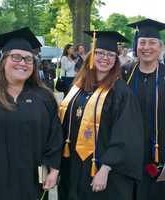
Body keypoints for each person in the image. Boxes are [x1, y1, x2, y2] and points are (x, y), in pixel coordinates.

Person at [0, 27, 63, 200]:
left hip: (29, 184)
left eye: (28, 59)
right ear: (3, 59)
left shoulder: (44, 97)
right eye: (16, 57)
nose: (22, 63)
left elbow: (54, 137)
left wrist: (53, 169)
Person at [58, 31, 144, 200]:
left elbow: (126, 135)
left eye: (111, 54)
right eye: (100, 53)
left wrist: (106, 168)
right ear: (92, 55)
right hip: (73, 166)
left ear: (115, 60)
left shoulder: (121, 92)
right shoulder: (77, 87)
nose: (105, 58)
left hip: (102, 169)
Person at [123, 18, 165, 200]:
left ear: (161, 47)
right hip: (126, 158)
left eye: (152, 42)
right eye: (142, 42)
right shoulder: (123, 73)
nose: (146, 47)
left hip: (160, 157)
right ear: (136, 45)